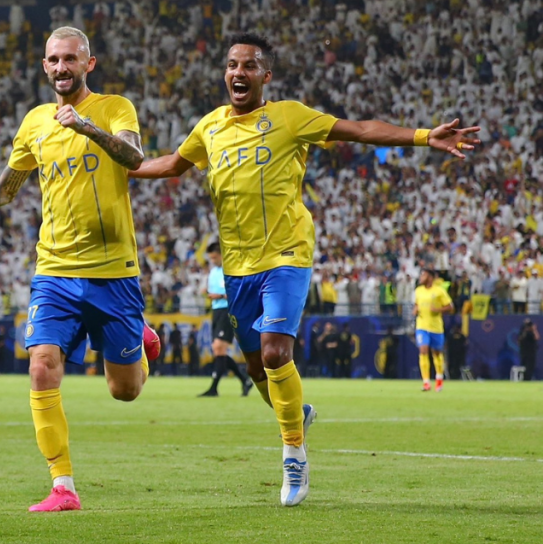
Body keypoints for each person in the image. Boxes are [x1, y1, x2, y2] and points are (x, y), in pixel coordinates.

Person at [130, 32, 479, 507]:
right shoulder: (209, 126)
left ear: (265, 76)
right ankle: (298, 415)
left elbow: (358, 130)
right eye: (232, 64)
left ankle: (293, 455)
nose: (238, 72)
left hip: (286, 256)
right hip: (237, 267)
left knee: (275, 352)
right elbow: (172, 165)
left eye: (249, 65)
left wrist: (422, 136)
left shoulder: (290, 116)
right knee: (257, 368)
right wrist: (120, 168)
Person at [0, 26, 160, 513]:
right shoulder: (34, 122)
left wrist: (86, 128)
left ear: (88, 64)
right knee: (41, 367)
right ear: (45, 66)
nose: (61, 67)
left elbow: (135, 158)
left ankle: (142, 339)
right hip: (54, 271)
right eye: (53, 60)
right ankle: (62, 486)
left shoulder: (115, 107)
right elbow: (5, 189)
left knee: (125, 391)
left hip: (113, 272)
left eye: (70, 59)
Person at [199, 242, 251, 397]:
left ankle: (214, 388)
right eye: (211, 258)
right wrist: (207, 292)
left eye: (215, 257)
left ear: (222, 255)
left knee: (218, 347)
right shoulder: (213, 272)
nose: (213, 260)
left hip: (228, 310)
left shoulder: (230, 271)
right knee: (218, 350)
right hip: (216, 311)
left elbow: (240, 293)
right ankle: (245, 380)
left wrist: (220, 296)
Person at [414, 268, 454, 392]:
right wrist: (415, 310)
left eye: (424, 275)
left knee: (436, 353)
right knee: (423, 350)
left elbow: (450, 307)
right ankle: (426, 382)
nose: (421, 277)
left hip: (436, 328)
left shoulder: (439, 291)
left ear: (430, 277)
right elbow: (417, 304)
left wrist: (438, 310)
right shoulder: (418, 291)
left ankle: (439, 379)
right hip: (421, 326)